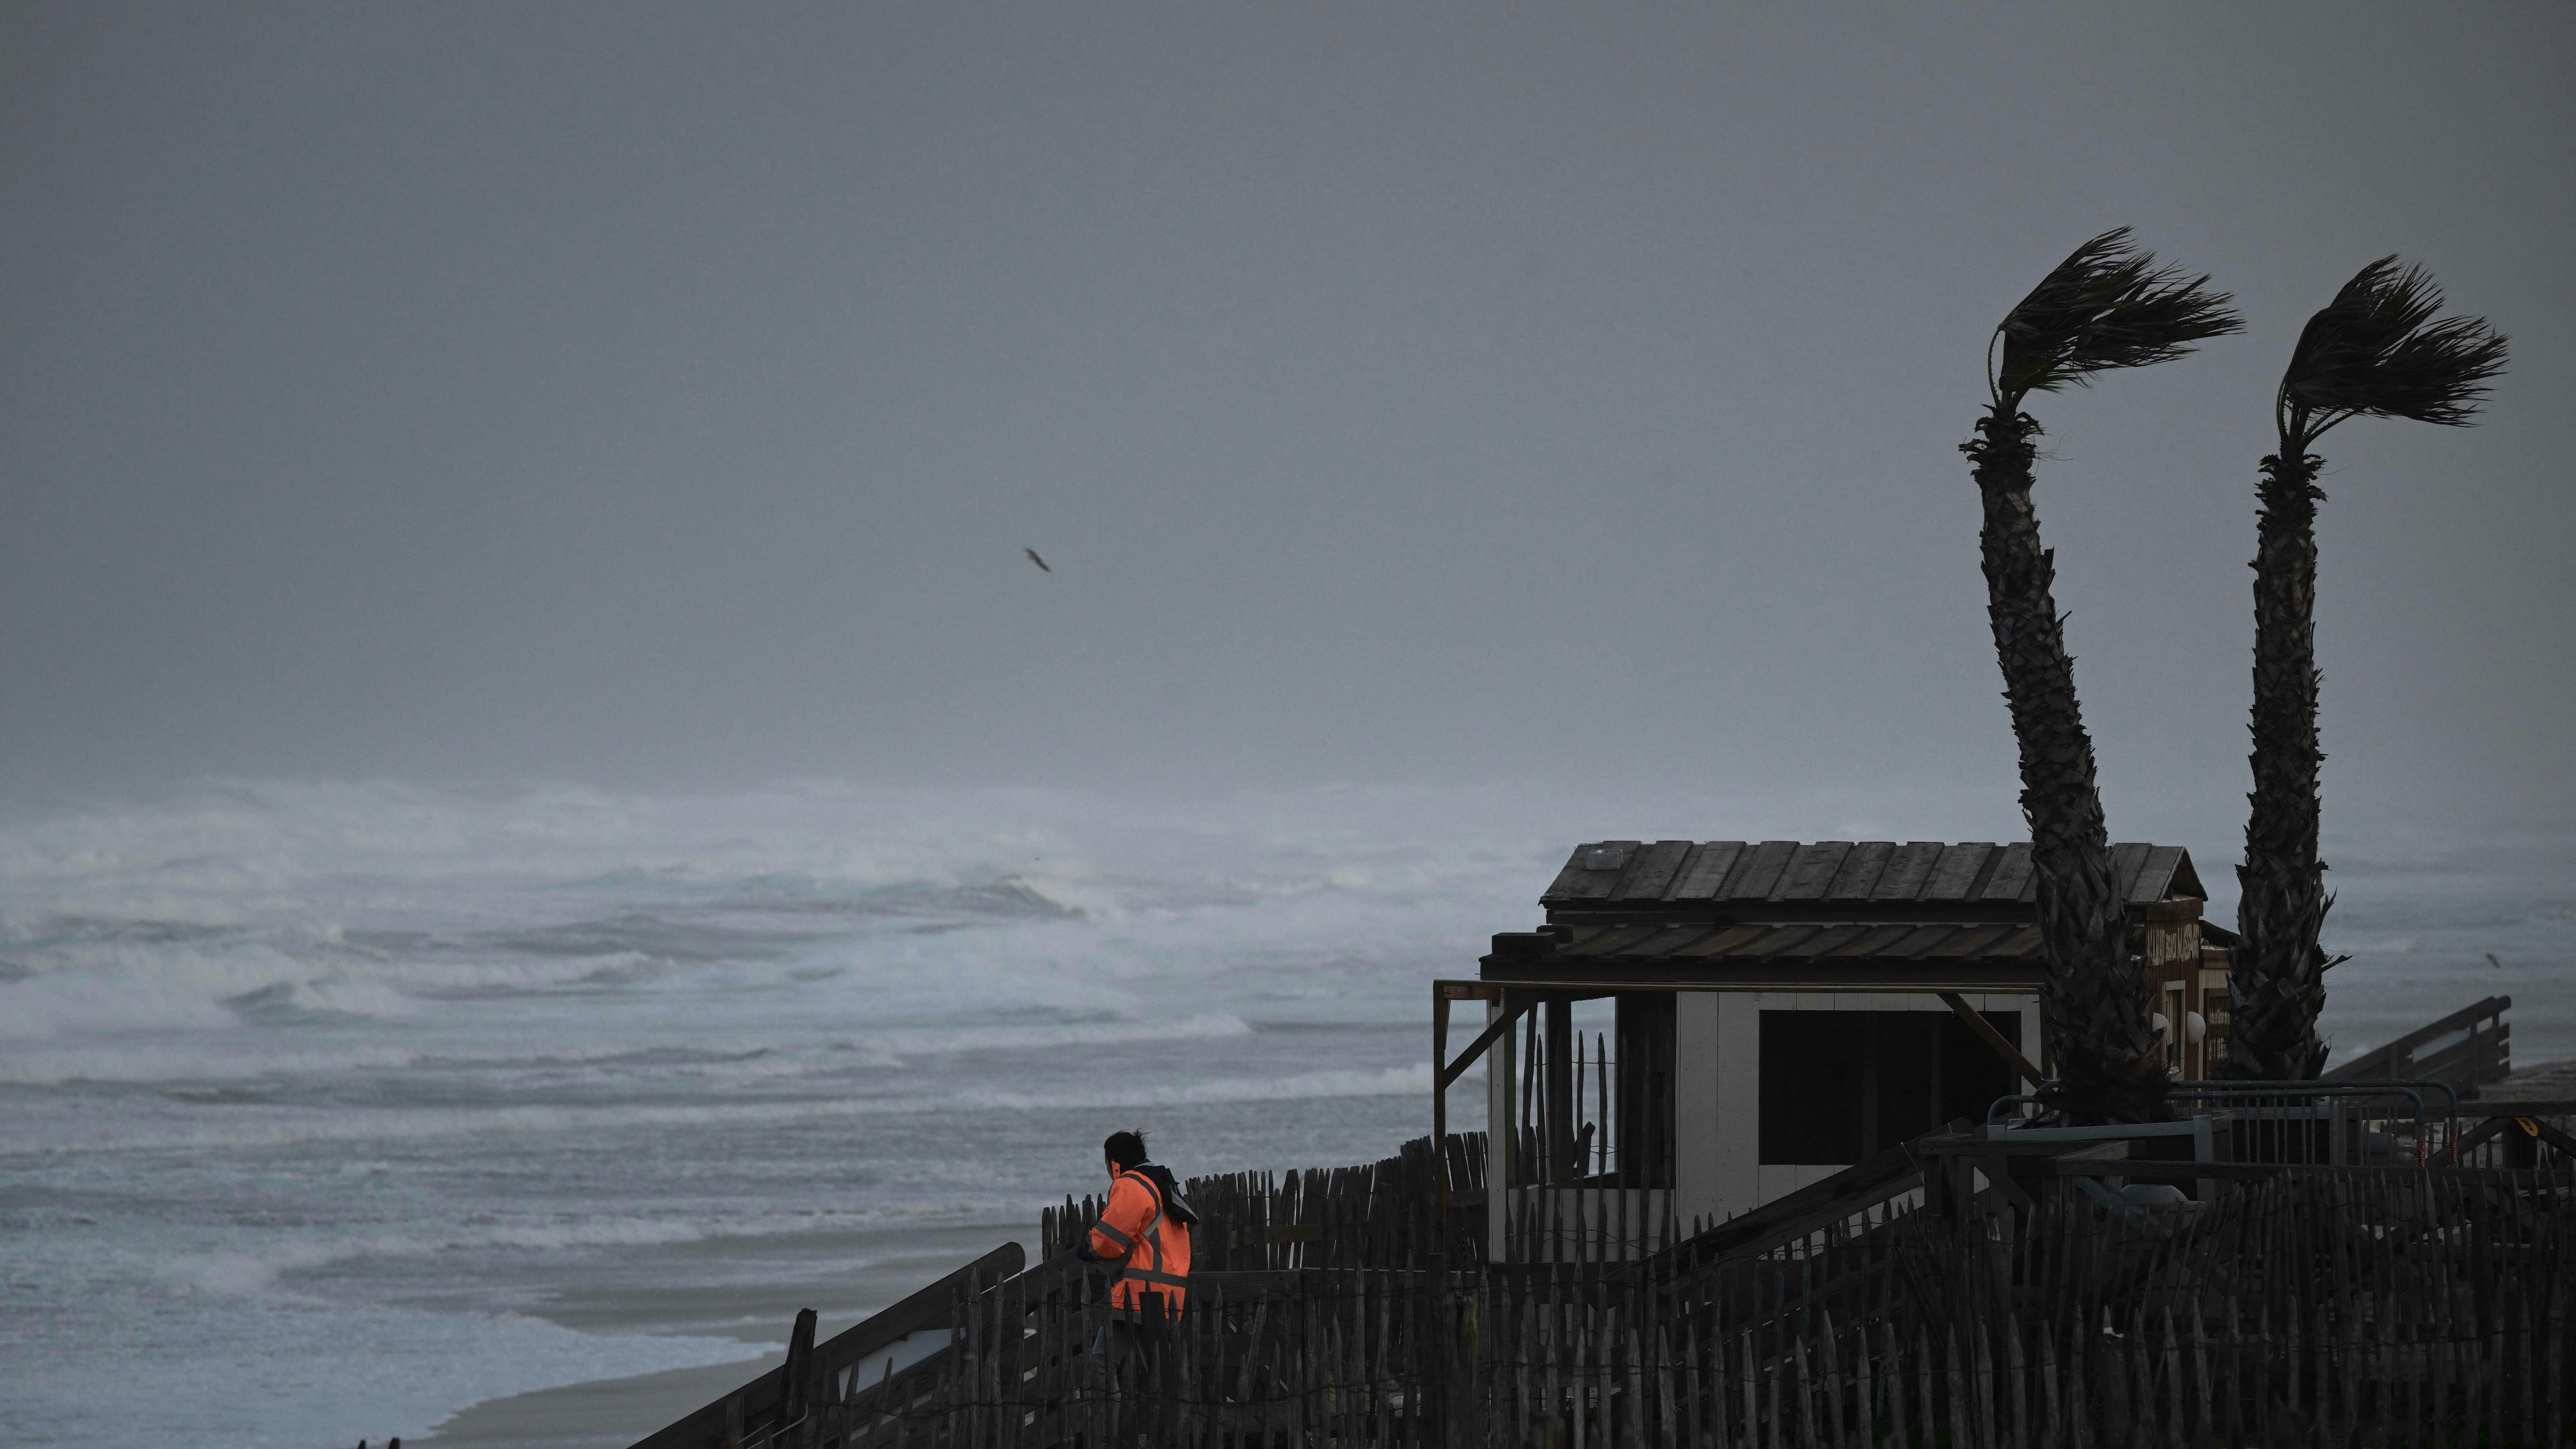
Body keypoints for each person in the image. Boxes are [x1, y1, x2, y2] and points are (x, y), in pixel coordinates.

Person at [1076, 1129, 1195, 1375]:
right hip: (1169, 1294)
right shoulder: (1162, 1186)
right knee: (1157, 1372)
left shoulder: (1131, 1184)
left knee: (1101, 1363)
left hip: (1139, 1294)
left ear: (1114, 1164)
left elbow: (1110, 1238)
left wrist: (1088, 1248)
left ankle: (1109, 1404)